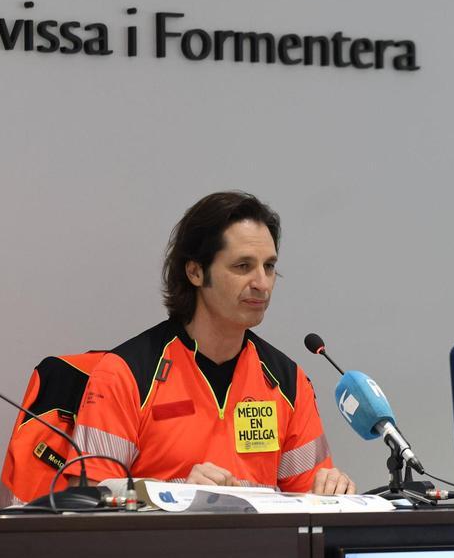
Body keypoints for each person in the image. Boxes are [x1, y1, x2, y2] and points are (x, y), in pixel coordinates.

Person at [72, 191, 355, 495]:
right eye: (243, 266)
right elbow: (89, 499)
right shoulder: (124, 374)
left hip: (260, 529)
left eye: (269, 267)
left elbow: (307, 499)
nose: (262, 283)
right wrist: (180, 495)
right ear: (195, 272)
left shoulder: (289, 383)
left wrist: (330, 492)